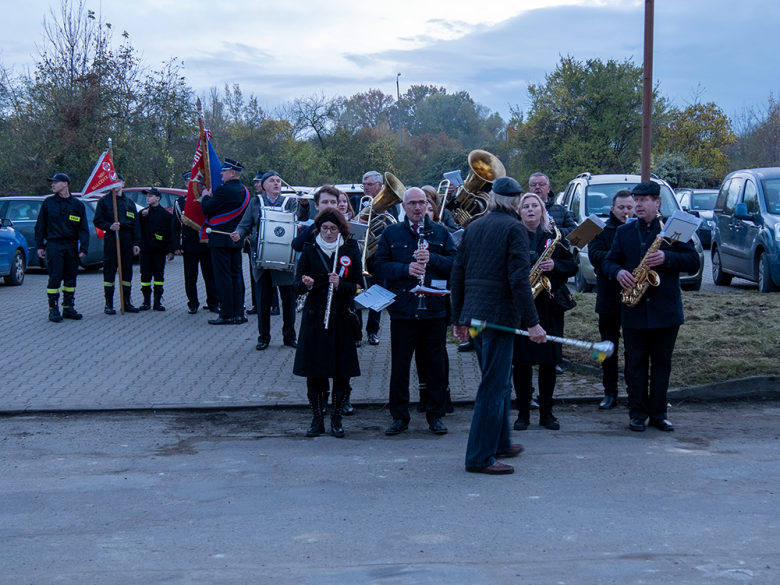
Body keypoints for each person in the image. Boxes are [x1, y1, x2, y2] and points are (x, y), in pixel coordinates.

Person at [452, 176, 546, 475]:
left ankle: (501, 442)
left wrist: (458, 318)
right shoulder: (515, 228)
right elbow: (519, 280)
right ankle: (479, 457)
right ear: (516, 200)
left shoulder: (474, 226)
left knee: (499, 382)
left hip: (476, 318)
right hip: (498, 318)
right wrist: (533, 323)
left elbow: (457, 273)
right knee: (493, 387)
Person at [601, 181, 700, 432]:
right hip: (634, 309)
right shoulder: (624, 231)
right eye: (636, 200)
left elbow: (693, 261)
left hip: (665, 310)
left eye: (644, 200)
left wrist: (667, 257)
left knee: (661, 364)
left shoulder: (674, 228)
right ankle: (637, 413)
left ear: (657, 202)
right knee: (635, 365)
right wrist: (618, 272)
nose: (638, 205)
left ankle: (658, 413)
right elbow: (609, 261)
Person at [373, 187, 457, 436]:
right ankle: (399, 417)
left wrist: (432, 259)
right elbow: (379, 266)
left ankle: (435, 415)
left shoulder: (441, 232)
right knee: (400, 366)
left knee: (435, 366)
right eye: (412, 203)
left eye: (422, 202)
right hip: (403, 310)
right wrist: (405, 269)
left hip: (434, 309)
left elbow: (455, 265)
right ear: (404, 206)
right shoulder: (391, 233)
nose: (418, 207)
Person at [293, 209, 362, 438]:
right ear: (318, 229)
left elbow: (359, 286)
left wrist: (341, 285)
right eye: (325, 228)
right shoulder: (309, 250)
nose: (329, 233)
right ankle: (316, 419)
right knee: (314, 373)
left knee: (341, 373)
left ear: (340, 229)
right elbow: (296, 285)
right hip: (315, 319)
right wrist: (306, 283)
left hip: (341, 318)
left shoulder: (349, 250)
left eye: (333, 228)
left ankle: (337, 419)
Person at [513, 193, 577, 431]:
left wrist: (555, 265)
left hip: (549, 307)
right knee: (521, 362)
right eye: (525, 206)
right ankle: (522, 412)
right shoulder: (513, 236)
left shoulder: (555, 237)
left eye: (535, 206)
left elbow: (572, 266)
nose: (530, 210)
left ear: (542, 211)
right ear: (519, 212)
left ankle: (546, 412)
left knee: (549, 362)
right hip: (521, 306)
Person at [233, 170, 308, 348]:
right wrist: (238, 234)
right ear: (264, 185)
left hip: (285, 259)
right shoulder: (255, 203)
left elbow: (302, 217)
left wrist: (304, 206)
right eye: (272, 181)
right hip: (262, 260)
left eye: (278, 181)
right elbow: (244, 224)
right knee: (263, 302)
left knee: (288, 302)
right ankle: (263, 337)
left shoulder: (289, 202)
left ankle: (289, 336)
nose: (276, 183)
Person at [588, 190, 635, 409]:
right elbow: (595, 256)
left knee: (634, 349)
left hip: (635, 298)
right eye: (621, 208)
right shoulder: (599, 229)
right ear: (612, 209)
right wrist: (620, 257)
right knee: (607, 348)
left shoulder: (638, 229)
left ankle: (634, 392)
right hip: (609, 298)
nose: (626, 212)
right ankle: (609, 392)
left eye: (629, 207)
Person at [200, 158, 251, 325]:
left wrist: (205, 197)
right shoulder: (244, 190)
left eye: (224, 171)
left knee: (223, 278)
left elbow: (206, 209)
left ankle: (227, 314)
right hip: (236, 238)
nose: (221, 173)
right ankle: (239, 314)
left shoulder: (223, 190)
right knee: (237, 276)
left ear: (232, 173)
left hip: (220, 238)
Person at [34, 173, 89, 322]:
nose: (52, 185)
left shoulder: (77, 205)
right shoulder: (48, 203)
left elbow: (83, 228)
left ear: (65, 184)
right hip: (54, 245)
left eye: (55, 182)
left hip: (71, 245)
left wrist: (84, 248)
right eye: (52, 183)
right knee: (55, 276)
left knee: (71, 277)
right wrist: (40, 245)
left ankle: (68, 307)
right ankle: (53, 309)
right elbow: (40, 226)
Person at [93, 174, 141, 314]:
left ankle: (126, 302)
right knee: (109, 270)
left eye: (117, 182)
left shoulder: (129, 203)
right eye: (112, 182)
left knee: (127, 271)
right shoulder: (104, 201)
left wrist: (136, 243)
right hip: (112, 239)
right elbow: (97, 220)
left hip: (127, 239)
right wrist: (109, 226)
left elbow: (136, 225)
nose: (115, 185)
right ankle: (109, 303)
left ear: (123, 184)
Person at [172, 188, 220, 315]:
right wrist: (176, 246)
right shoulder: (180, 202)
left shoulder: (208, 199)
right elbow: (175, 225)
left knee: (210, 276)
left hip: (206, 243)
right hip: (189, 245)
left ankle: (213, 303)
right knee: (190, 276)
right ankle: (192, 303)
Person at [138, 188, 174, 311]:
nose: (147, 198)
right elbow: (137, 230)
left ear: (158, 198)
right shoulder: (142, 213)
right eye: (147, 196)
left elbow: (170, 234)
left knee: (158, 276)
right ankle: (146, 301)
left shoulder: (165, 215)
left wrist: (170, 250)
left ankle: (157, 302)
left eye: (150, 196)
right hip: (145, 251)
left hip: (159, 251)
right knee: (145, 276)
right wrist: (142, 217)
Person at [528, 172, 577, 237]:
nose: (537, 187)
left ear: (548, 188)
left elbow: (574, 231)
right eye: (533, 185)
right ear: (529, 188)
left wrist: (557, 233)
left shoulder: (561, 210)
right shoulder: (522, 211)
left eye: (541, 184)